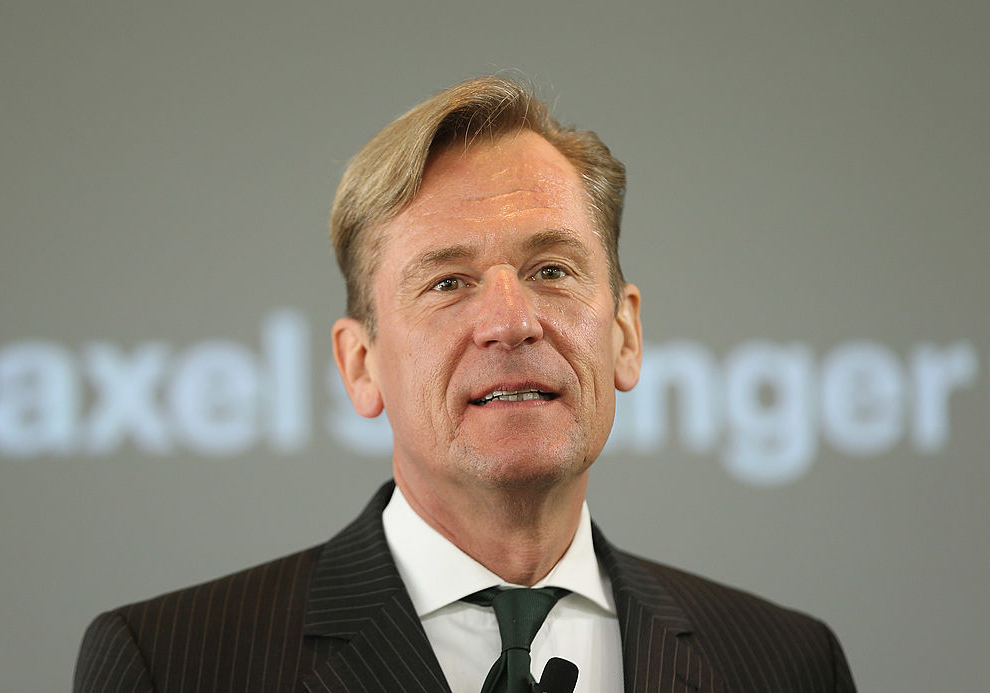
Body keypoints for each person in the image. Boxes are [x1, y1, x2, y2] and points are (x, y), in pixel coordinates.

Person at [74, 76, 856, 692]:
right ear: (360, 364)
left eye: (552, 270)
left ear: (625, 333)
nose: (511, 322)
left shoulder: (787, 664)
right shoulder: (172, 663)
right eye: (448, 282)